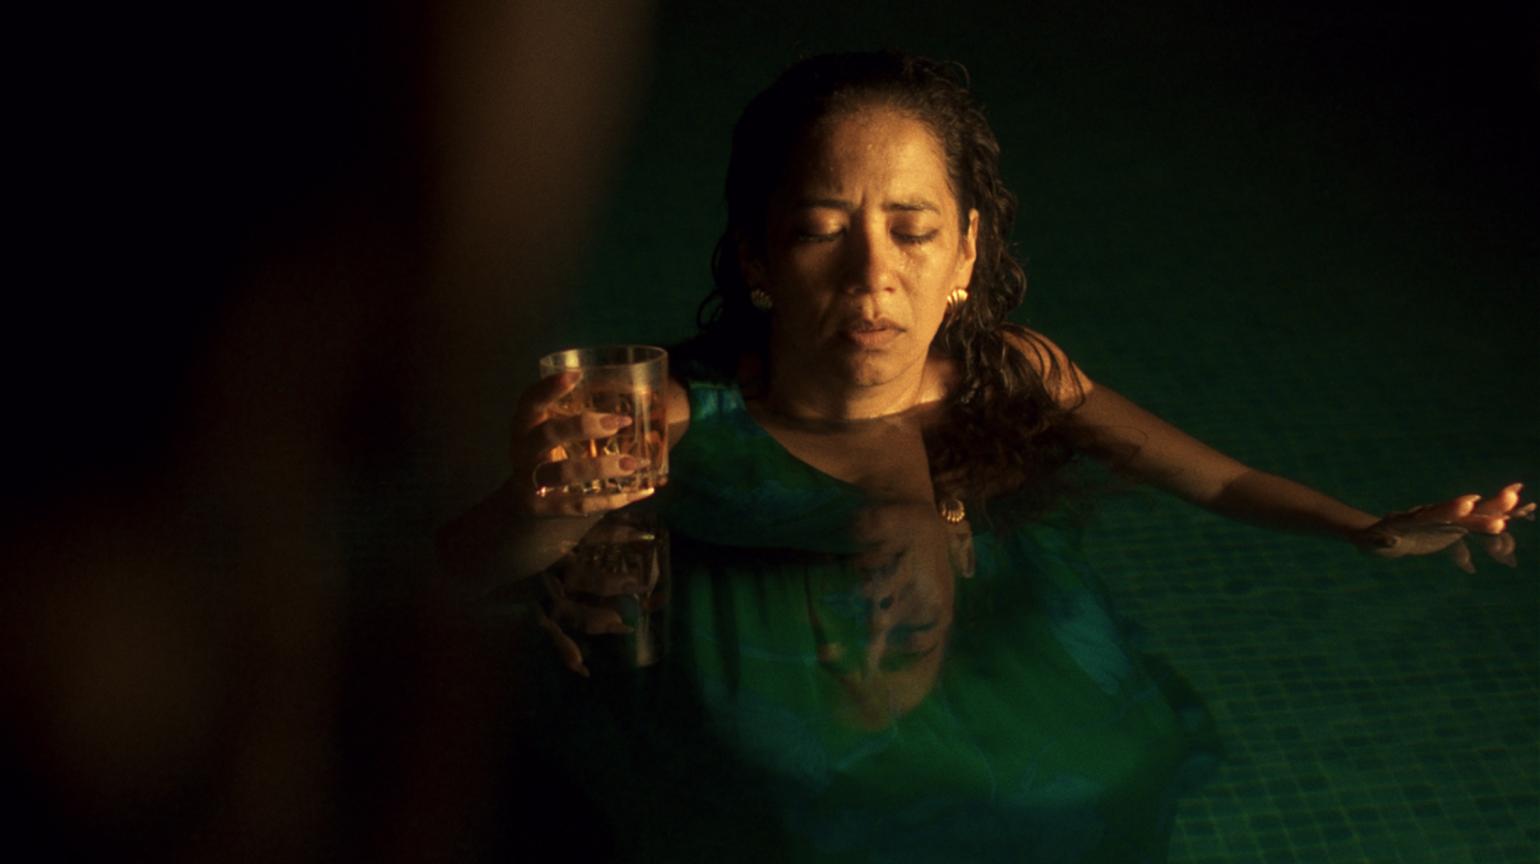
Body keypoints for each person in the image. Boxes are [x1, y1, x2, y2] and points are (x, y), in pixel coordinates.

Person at [441, 51, 1532, 862]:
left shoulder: (1011, 375)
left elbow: (1212, 477)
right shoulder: (679, 416)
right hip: (781, 698)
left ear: (965, 253)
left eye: (913, 231)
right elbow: (463, 565)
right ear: (758, 259)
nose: (873, 275)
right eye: (821, 228)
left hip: (981, 673)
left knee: (1102, 776)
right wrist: (552, 504)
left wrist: (1365, 531)